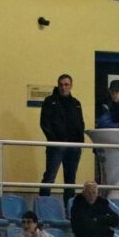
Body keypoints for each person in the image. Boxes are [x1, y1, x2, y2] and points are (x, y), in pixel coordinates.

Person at [38, 74, 85, 204]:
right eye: (61, 85)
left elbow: (80, 123)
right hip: (56, 145)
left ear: (71, 86)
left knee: (70, 180)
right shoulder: (49, 101)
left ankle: (69, 209)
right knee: (50, 176)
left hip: (74, 146)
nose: (64, 88)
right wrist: (54, 140)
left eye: (66, 85)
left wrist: (80, 143)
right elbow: (44, 123)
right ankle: (43, 205)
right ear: (58, 85)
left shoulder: (76, 103)